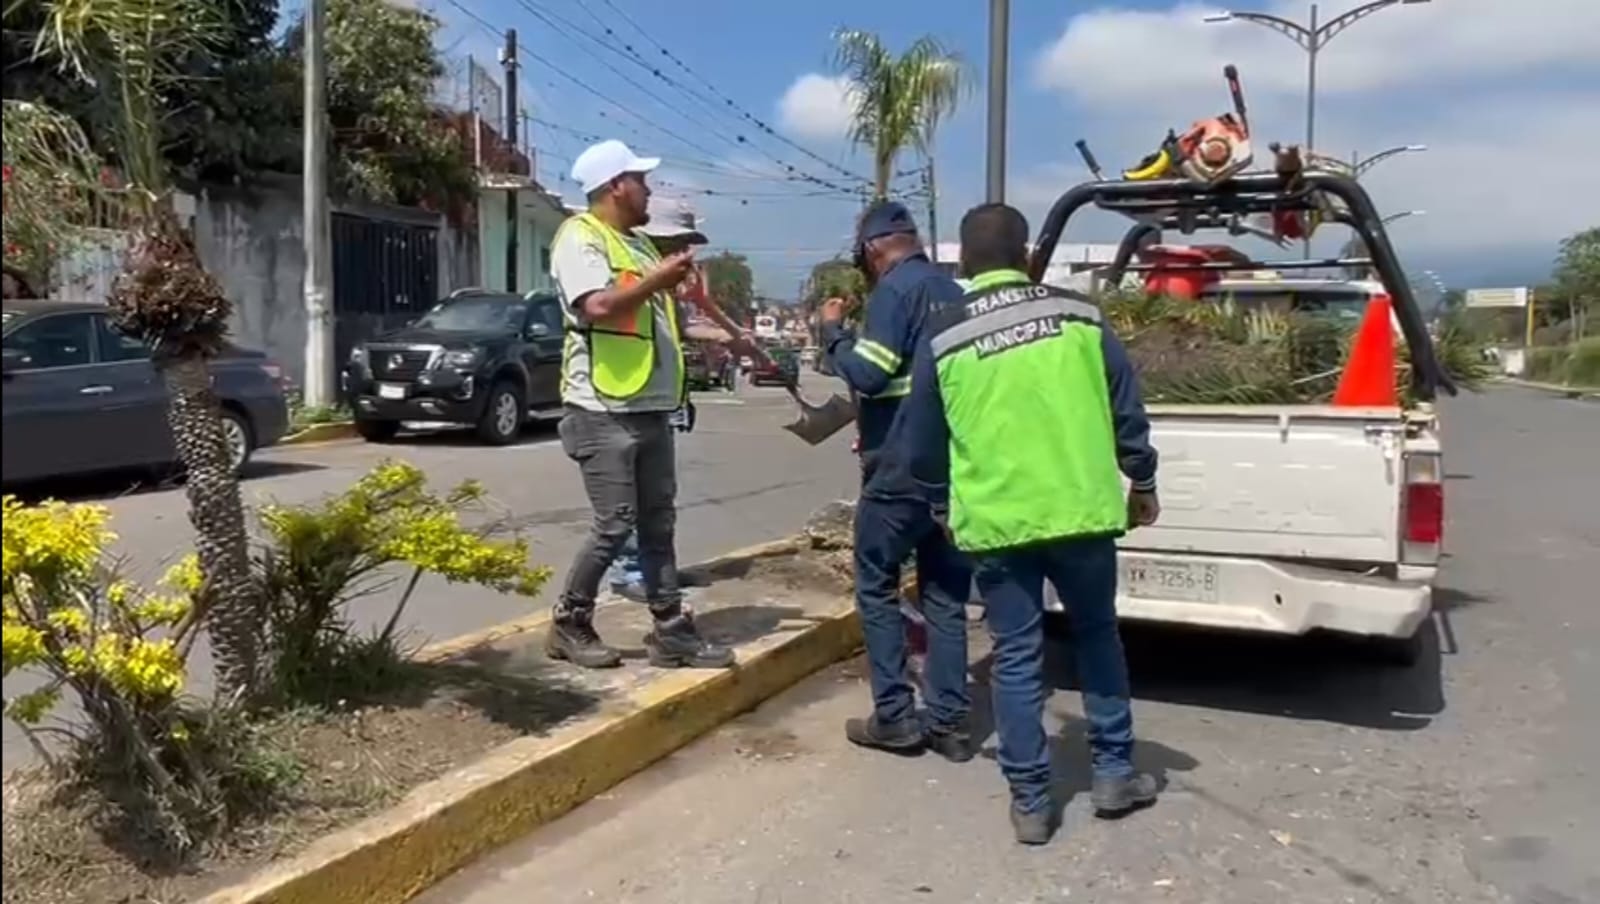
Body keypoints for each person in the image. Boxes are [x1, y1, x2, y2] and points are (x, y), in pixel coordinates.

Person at [903, 203, 1162, 845]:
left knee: (1016, 657)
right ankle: (1112, 774)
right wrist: (1143, 480)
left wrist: (942, 505)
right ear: (1028, 258)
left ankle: (1030, 803)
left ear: (963, 262)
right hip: (1082, 514)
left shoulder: (944, 335)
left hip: (997, 524)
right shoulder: (1082, 316)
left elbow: (922, 448)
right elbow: (1126, 407)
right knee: (1098, 638)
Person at [546, 139, 733, 670]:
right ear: (615, 186)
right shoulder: (579, 237)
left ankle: (671, 629)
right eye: (641, 180)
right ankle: (569, 622)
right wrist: (660, 278)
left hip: (649, 406)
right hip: (602, 406)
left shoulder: (638, 246)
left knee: (658, 522)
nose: (648, 189)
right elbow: (598, 306)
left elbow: (659, 321)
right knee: (615, 523)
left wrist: (716, 333)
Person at [818, 201, 973, 761]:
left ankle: (895, 717)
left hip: (898, 473)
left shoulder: (895, 291)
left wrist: (833, 333)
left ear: (873, 249)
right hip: (953, 475)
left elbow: (869, 370)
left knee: (877, 586)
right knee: (946, 596)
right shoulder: (957, 294)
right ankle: (951, 723)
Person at [603, 205, 734, 603]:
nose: (686, 254)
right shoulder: (631, 277)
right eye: (679, 244)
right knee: (630, 496)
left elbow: (677, 328)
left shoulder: (664, 286)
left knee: (659, 496)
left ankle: (655, 568)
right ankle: (629, 571)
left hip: (661, 398)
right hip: (628, 400)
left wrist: (723, 335)